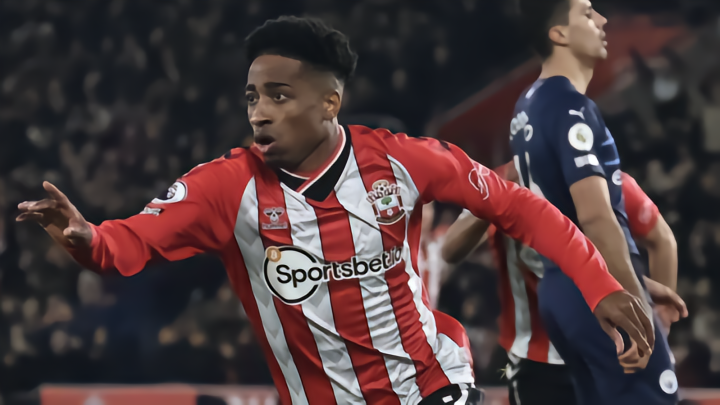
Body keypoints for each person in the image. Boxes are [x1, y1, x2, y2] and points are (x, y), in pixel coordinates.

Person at [17, 16, 653, 405]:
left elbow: (520, 208)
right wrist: (84, 237)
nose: (259, 112)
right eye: (252, 97)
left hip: (430, 388)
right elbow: (127, 244)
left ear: (329, 103)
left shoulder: (403, 160)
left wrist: (599, 284)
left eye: (278, 95)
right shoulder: (225, 187)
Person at [500, 0, 684, 403]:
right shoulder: (570, 107)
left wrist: (641, 283)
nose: (602, 19)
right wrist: (634, 302)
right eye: (586, 13)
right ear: (559, 34)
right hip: (596, 291)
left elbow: (561, 214)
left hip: (560, 288)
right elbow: (596, 218)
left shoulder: (527, 108)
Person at [442, 164, 687, 405]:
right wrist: (494, 198)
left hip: (607, 349)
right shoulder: (501, 181)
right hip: (537, 359)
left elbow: (662, 239)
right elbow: (450, 249)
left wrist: (659, 322)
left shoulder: (603, 181)